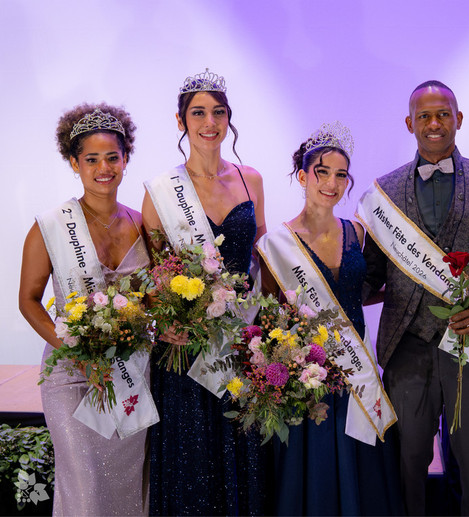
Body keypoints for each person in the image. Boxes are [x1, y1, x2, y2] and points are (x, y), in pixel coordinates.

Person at [358, 80, 469, 515]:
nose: (434, 124)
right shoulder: (385, 190)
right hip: (406, 350)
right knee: (407, 465)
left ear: (458, 119)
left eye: (443, 114)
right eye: (424, 116)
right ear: (409, 123)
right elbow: (372, 274)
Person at [254, 122, 402, 515]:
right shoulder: (275, 245)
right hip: (309, 379)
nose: (332, 184)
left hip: (357, 371)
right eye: (322, 173)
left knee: (363, 470)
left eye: (341, 175)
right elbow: (269, 317)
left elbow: (365, 290)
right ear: (303, 176)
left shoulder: (358, 232)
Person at [142, 68, 268, 515]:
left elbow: (262, 259)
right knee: (191, 461)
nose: (209, 122)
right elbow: (152, 275)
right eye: (198, 113)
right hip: (185, 352)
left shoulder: (250, 179)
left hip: (237, 342)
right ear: (181, 122)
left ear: (229, 117)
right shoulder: (161, 190)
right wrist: (167, 321)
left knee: (237, 449)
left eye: (218, 112)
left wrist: (266, 331)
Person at [19, 103, 150, 515]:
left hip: (130, 374)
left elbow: (154, 296)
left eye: (112, 157)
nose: (103, 168)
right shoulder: (51, 226)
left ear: (125, 159)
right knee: (85, 489)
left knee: (130, 489)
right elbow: (28, 300)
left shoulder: (144, 225)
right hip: (72, 375)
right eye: (91, 159)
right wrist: (79, 353)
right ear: (75, 163)